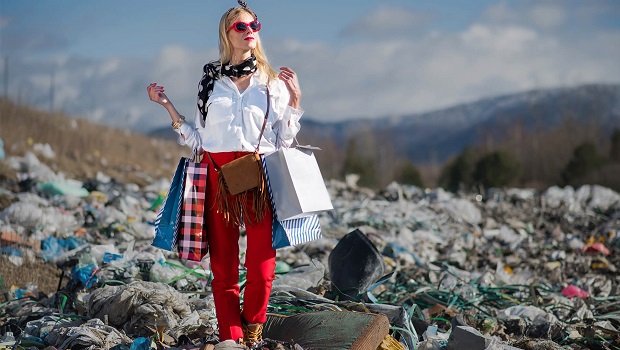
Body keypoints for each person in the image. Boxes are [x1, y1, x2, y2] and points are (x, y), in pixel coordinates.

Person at [146, 1, 303, 349]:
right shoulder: (210, 82)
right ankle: (230, 337)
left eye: (255, 25)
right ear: (227, 34)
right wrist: (168, 107)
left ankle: (253, 325)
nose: (250, 32)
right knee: (224, 267)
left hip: (258, 176)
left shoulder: (271, 83)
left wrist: (294, 101)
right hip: (217, 176)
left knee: (262, 265)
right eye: (242, 27)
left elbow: (283, 139)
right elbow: (201, 140)